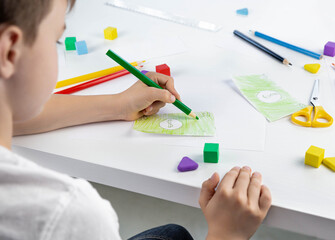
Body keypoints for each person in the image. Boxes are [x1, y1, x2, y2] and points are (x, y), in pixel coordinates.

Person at [0, 0, 272, 239]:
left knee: (172, 234)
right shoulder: (65, 214)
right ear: (10, 51)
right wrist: (227, 234)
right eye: (55, 40)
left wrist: (118, 105)